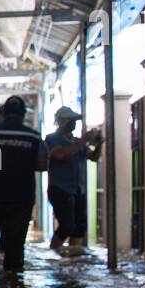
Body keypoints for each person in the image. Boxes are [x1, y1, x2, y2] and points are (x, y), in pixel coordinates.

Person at [0, 95, 47, 271]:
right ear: (23, 114)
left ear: (4, 113)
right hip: (21, 197)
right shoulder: (34, 137)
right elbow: (43, 165)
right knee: (15, 246)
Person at [44, 106, 103, 256]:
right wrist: (83, 140)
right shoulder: (52, 139)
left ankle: (73, 258)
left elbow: (93, 158)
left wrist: (99, 144)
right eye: (71, 120)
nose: (73, 123)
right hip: (60, 189)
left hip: (78, 189)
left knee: (79, 227)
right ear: (61, 121)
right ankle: (53, 253)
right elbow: (62, 154)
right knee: (66, 225)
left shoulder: (77, 142)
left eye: (75, 120)